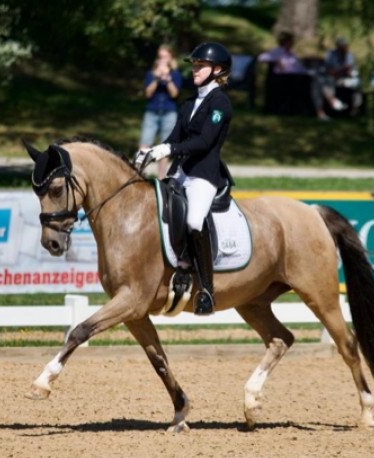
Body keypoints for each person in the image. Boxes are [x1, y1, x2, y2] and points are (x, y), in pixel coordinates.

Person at [135, 42, 235, 315]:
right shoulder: (189, 102)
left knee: (193, 220)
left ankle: (206, 290)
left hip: (203, 174)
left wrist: (170, 149)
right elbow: (174, 138)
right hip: (179, 171)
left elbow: (204, 142)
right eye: (194, 65)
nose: (195, 70)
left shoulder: (220, 103)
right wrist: (151, 153)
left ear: (217, 70)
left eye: (200, 66)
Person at [258, 32, 342, 120]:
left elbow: (298, 67)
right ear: (285, 42)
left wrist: (308, 71)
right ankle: (327, 106)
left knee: (323, 78)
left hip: (300, 75)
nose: (292, 43)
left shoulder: (291, 53)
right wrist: (277, 61)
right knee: (316, 82)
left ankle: (329, 104)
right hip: (287, 78)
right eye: (290, 41)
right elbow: (262, 57)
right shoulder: (278, 51)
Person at [139, 45, 182, 179]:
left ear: (171, 58)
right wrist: (157, 78)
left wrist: (168, 79)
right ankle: (138, 174)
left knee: (164, 147)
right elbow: (148, 93)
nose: (162, 59)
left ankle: (161, 177)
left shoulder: (175, 74)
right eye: (160, 57)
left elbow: (175, 94)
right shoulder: (151, 74)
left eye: (165, 56)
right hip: (152, 112)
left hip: (169, 113)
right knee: (145, 144)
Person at [323, 37, 362, 115]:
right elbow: (329, 71)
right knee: (325, 83)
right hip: (333, 78)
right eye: (343, 46)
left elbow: (351, 71)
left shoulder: (349, 55)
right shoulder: (331, 55)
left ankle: (355, 107)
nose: (345, 48)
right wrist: (342, 69)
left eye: (346, 46)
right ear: (338, 47)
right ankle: (334, 104)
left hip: (346, 79)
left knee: (358, 83)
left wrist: (349, 72)